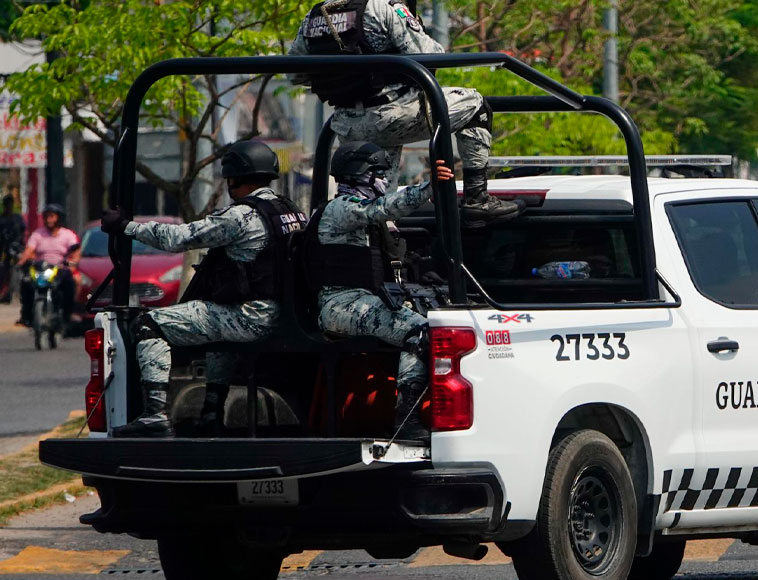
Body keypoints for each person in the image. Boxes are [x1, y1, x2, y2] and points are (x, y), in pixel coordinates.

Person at [100, 140, 308, 438]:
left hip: (249, 318)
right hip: (284, 316)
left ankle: (154, 416)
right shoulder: (290, 210)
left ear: (235, 177)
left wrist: (125, 226)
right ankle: (211, 413)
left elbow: (178, 238)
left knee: (149, 324)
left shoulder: (241, 216)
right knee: (214, 323)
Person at [289, 0, 522, 227]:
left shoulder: (314, 17)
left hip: (348, 124)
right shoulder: (384, 7)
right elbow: (431, 55)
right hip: (394, 115)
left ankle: (378, 253)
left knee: (376, 208)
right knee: (475, 104)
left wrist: (346, 84)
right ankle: (477, 199)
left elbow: (295, 74)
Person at [305, 141, 451, 440]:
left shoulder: (362, 214)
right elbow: (382, 208)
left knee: (441, 322)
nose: (385, 180)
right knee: (420, 332)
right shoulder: (342, 210)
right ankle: (407, 418)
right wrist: (428, 187)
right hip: (339, 305)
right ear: (362, 175)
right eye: (380, 173)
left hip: (363, 301)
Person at [17, 203, 78, 327]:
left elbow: (76, 252)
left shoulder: (67, 234)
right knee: (26, 283)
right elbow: (29, 251)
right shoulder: (38, 234)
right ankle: (26, 315)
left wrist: (73, 263)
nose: (49, 220)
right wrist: (21, 263)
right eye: (46, 217)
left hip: (60, 268)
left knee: (70, 283)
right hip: (41, 268)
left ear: (58, 218)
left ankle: (68, 313)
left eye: (52, 216)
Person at [0, 195, 26, 303]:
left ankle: (18, 292)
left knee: (21, 268)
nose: (9, 207)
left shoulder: (17, 218)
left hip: (17, 247)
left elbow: (22, 230)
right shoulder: (2, 219)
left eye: (10, 204)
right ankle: (6, 292)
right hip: (3, 248)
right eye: (7, 205)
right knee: (4, 269)